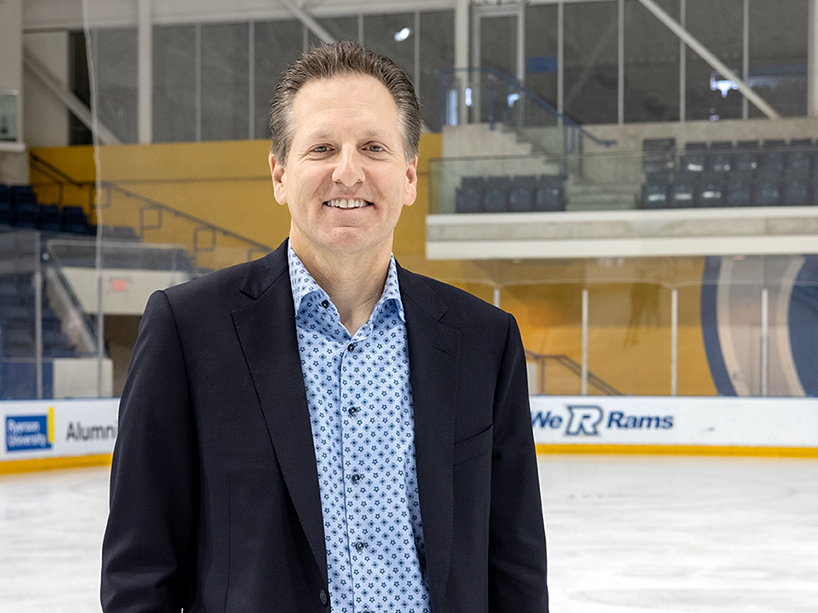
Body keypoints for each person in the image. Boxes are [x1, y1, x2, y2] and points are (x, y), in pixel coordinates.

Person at [101, 41, 547, 613]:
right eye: (322, 148)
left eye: (373, 147)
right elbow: (140, 569)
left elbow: (516, 564)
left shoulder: (485, 340)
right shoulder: (188, 331)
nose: (348, 171)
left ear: (409, 176)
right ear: (280, 174)